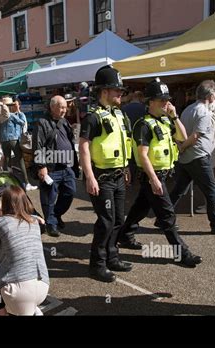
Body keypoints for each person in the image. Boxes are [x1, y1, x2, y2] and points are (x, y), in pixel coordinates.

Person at [118, 78, 202, 268]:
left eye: (167, 99)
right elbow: (143, 155)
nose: (166, 103)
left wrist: (174, 116)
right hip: (152, 176)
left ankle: (124, 234)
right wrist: (154, 180)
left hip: (162, 175)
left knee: (139, 208)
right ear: (150, 102)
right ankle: (182, 253)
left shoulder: (165, 121)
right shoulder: (143, 125)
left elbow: (182, 136)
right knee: (167, 215)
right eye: (161, 100)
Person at [79, 65, 133, 282]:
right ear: (104, 91)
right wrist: (89, 176)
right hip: (101, 178)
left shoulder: (119, 115)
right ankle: (97, 265)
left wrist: (126, 167)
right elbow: (83, 148)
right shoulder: (93, 118)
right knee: (106, 220)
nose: (120, 93)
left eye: (120, 90)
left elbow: (124, 143)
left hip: (118, 175)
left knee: (119, 219)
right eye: (116, 89)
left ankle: (112, 257)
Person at [169, 80, 215, 234]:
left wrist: (181, 148)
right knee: (212, 191)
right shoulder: (204, 112)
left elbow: (180, 131)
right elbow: (194, 136)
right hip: (197, 156)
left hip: (187, 157)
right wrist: (182, 147)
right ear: (211, 95)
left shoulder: (188, 109)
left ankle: (163, 218)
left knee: (179, 189)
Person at [0, 186, 49, 316]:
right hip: (43, 286)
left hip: (19, 293)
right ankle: (30, 309)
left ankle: (2, 311)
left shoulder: (0, 223)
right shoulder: (34, 221)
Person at [33, 95, 78, 238]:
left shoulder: (64, 122)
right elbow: (37, 145)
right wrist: (41, 166)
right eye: (61, 107)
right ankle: (51, 224)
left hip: (67, 166)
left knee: (70, 192)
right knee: (49, 198)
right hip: (51, 167)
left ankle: (56, 215)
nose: (64, 110)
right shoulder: (42, 123)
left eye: (65, 107)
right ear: (52, 107)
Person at [0, 97, 36, 191]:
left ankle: (7, 182)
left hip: (3, 140)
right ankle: (27, 183)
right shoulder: (11, 115)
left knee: (7, 161)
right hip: (13, 139)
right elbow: (22, 122)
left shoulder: (0, 115)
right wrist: (18, 110)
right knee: (20, 160)